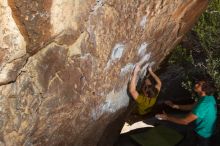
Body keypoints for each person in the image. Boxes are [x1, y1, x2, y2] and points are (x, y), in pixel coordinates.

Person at [156, 79, 217, 146]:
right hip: (200, 129)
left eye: (199, 84)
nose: (196, 84)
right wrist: (174, 106)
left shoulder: (204, 104)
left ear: (204, 90)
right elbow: (191, 106)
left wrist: (167, 117)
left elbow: (185, 121)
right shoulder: (208, 97)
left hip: (202, 135)